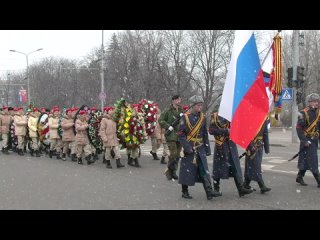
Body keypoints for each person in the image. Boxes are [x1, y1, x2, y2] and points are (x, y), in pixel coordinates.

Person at [178, 95, 221, 200]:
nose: (200, 107)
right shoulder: (185, 117)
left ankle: (209, 191)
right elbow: (181, 134)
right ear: (192, 106)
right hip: (190, 148)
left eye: (201, 105)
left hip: (200, 147)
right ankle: (185, 191)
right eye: (198, 105)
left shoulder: (203, 117)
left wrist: (207, 149)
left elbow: (204, 134)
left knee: (204, 170)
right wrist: (187, 148)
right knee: (187, 170)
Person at [209, 101, 253, 197]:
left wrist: (248, 144)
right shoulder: (216, 116)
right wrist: (225, 131)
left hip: (231, 145)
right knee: (218, 168)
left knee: (235, 167)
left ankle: (241, 189)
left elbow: (239, 129)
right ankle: (216, 189)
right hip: (221, 146)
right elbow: (211, 130)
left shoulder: (233, 115)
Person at [295, 93, 320, 187]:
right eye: (314, 101)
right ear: (309, 102)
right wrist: (304, 141)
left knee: (305, 160)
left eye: (317, 101)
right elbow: (298, 128)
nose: (316, 103)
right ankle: (318, 180)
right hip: (306, 140)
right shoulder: (303, 113)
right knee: (313, 160)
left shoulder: (318, 112)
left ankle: (299, 176)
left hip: (314, 140)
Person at [243, 118, 271, 194]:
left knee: (253, 165)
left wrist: (266, 148)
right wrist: (250, 145)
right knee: (256, 165)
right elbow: (246, 133)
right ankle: (262, 186)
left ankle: (246, 183)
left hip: (260, 146)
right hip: (251, 146)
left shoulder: (263, 119)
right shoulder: (249, 118)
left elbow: (265, 133)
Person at [159, 95, 183, 180]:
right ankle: (168, 171)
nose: (179, 101)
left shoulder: (181, 110)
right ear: (173, 100)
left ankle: (173, 171)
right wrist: (168, 126)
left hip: (179, 136)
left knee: (177, 155)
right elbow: (161, 120)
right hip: (171, 135)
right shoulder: (168, 110)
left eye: (179, 99)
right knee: (173, 154)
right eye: (177, 99)